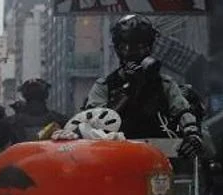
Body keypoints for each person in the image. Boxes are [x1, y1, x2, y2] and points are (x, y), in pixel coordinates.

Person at [85, 14, 202, 158]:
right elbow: (93, 124)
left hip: (159, 158)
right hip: (115, 159)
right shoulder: (104, 86)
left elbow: (182, 112)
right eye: (125, 46)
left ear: (149, 48)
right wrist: (128, 90)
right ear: (118, 49)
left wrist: (192, 135)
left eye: (140, 46)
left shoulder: (164, 84)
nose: (132, 52)